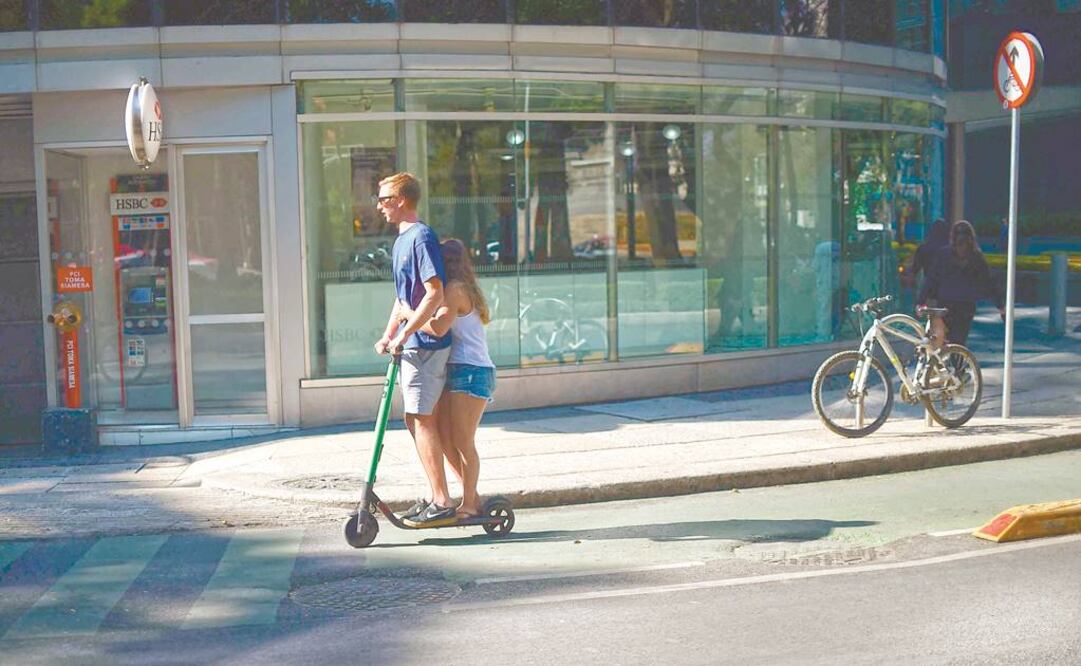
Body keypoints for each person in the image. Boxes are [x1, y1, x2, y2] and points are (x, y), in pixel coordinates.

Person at [372, 172, 456, 527]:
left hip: (426, 346)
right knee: (416, 419)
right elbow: (403, 297)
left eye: (384, 199)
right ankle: (435, 494)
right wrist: (389, 333)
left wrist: (406, 333)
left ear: (401, 199)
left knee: (422, 420)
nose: (379, 207)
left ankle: (442, 499)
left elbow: (434, 291)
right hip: (412, 344)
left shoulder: (420, 236)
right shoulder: (401, 240)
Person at [400, 239, 496, 519]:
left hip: (472, 371)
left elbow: (439, 328)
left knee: (463, 440)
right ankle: (471, 497)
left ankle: (469, 503)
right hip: (459, 370)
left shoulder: (454, 290)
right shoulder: (457, 286)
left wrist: (409, 315)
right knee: (445, 436)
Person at [918, 219, 1005, 348]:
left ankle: (943, 364)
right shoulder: (976, 257)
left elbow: (931, 279)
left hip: (945, 302)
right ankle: (957, 365)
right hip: (966, 305)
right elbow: (988, 282)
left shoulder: (943, 254)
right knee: (959, 341)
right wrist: (1000, 306)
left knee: (941, 340)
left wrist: (921, 301)